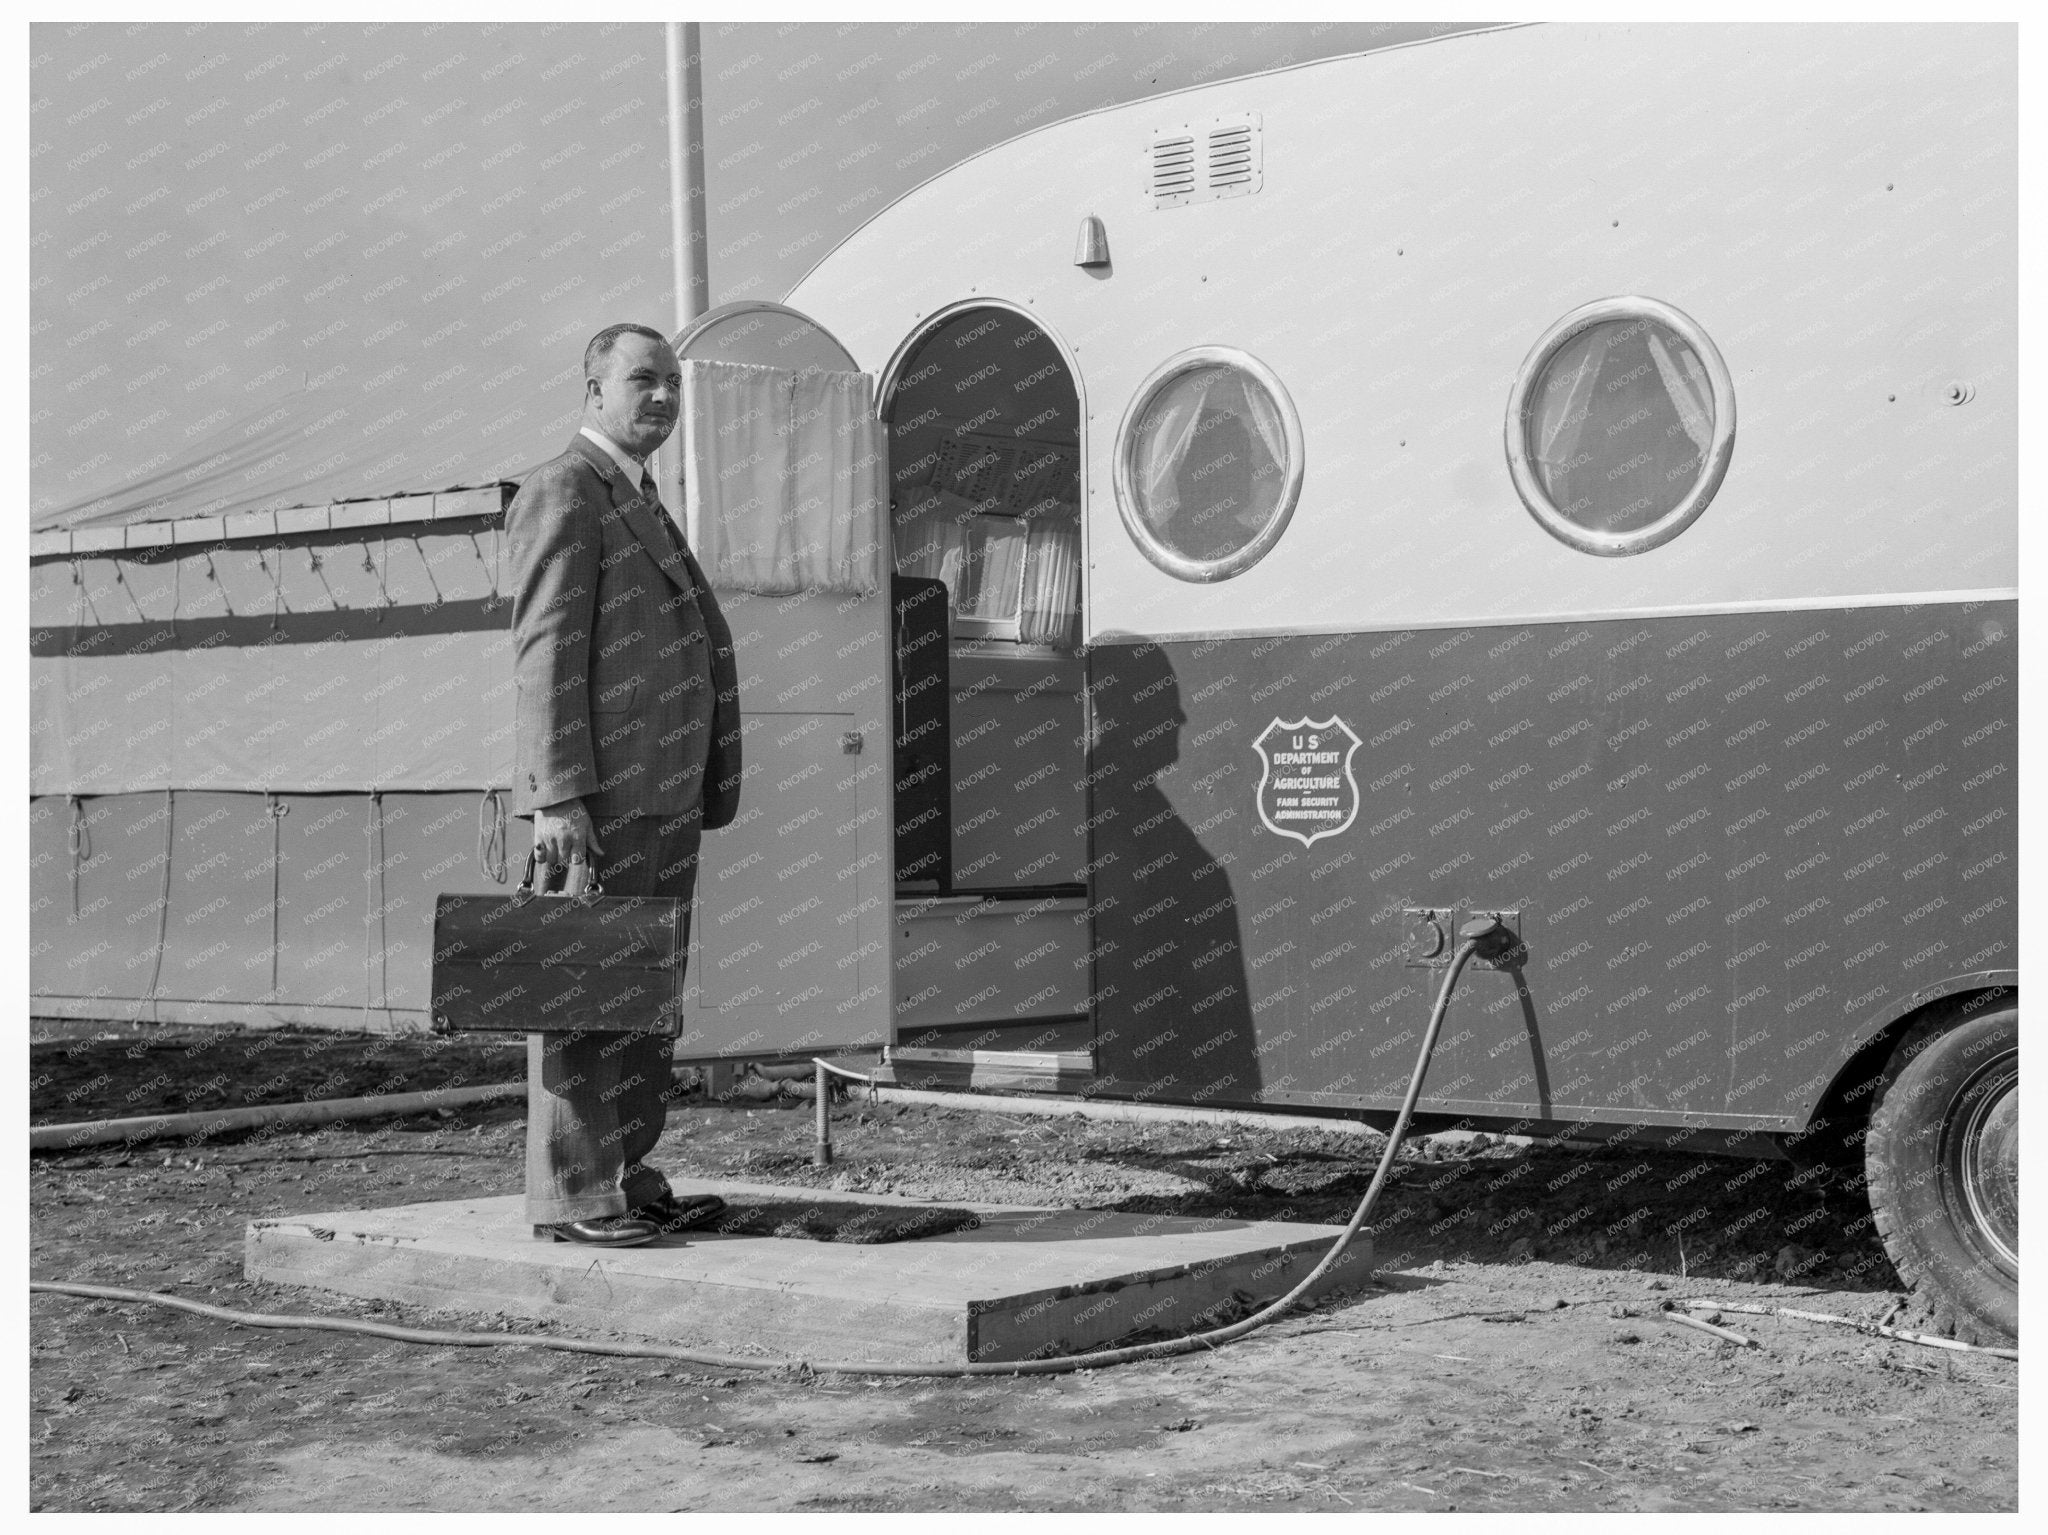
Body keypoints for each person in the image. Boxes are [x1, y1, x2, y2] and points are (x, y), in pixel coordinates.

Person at [506, 322, 742, 1247]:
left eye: (673, 384)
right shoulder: (566, 489)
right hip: (601, 805)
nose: (663, 398)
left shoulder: (641, 497)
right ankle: (570, 1192)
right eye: (642, 380)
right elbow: (545, 653)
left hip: (663, 798)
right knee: (583, 1000)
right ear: (593, 390)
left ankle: (625, 1175)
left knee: (645, 1002)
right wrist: (557, 795)